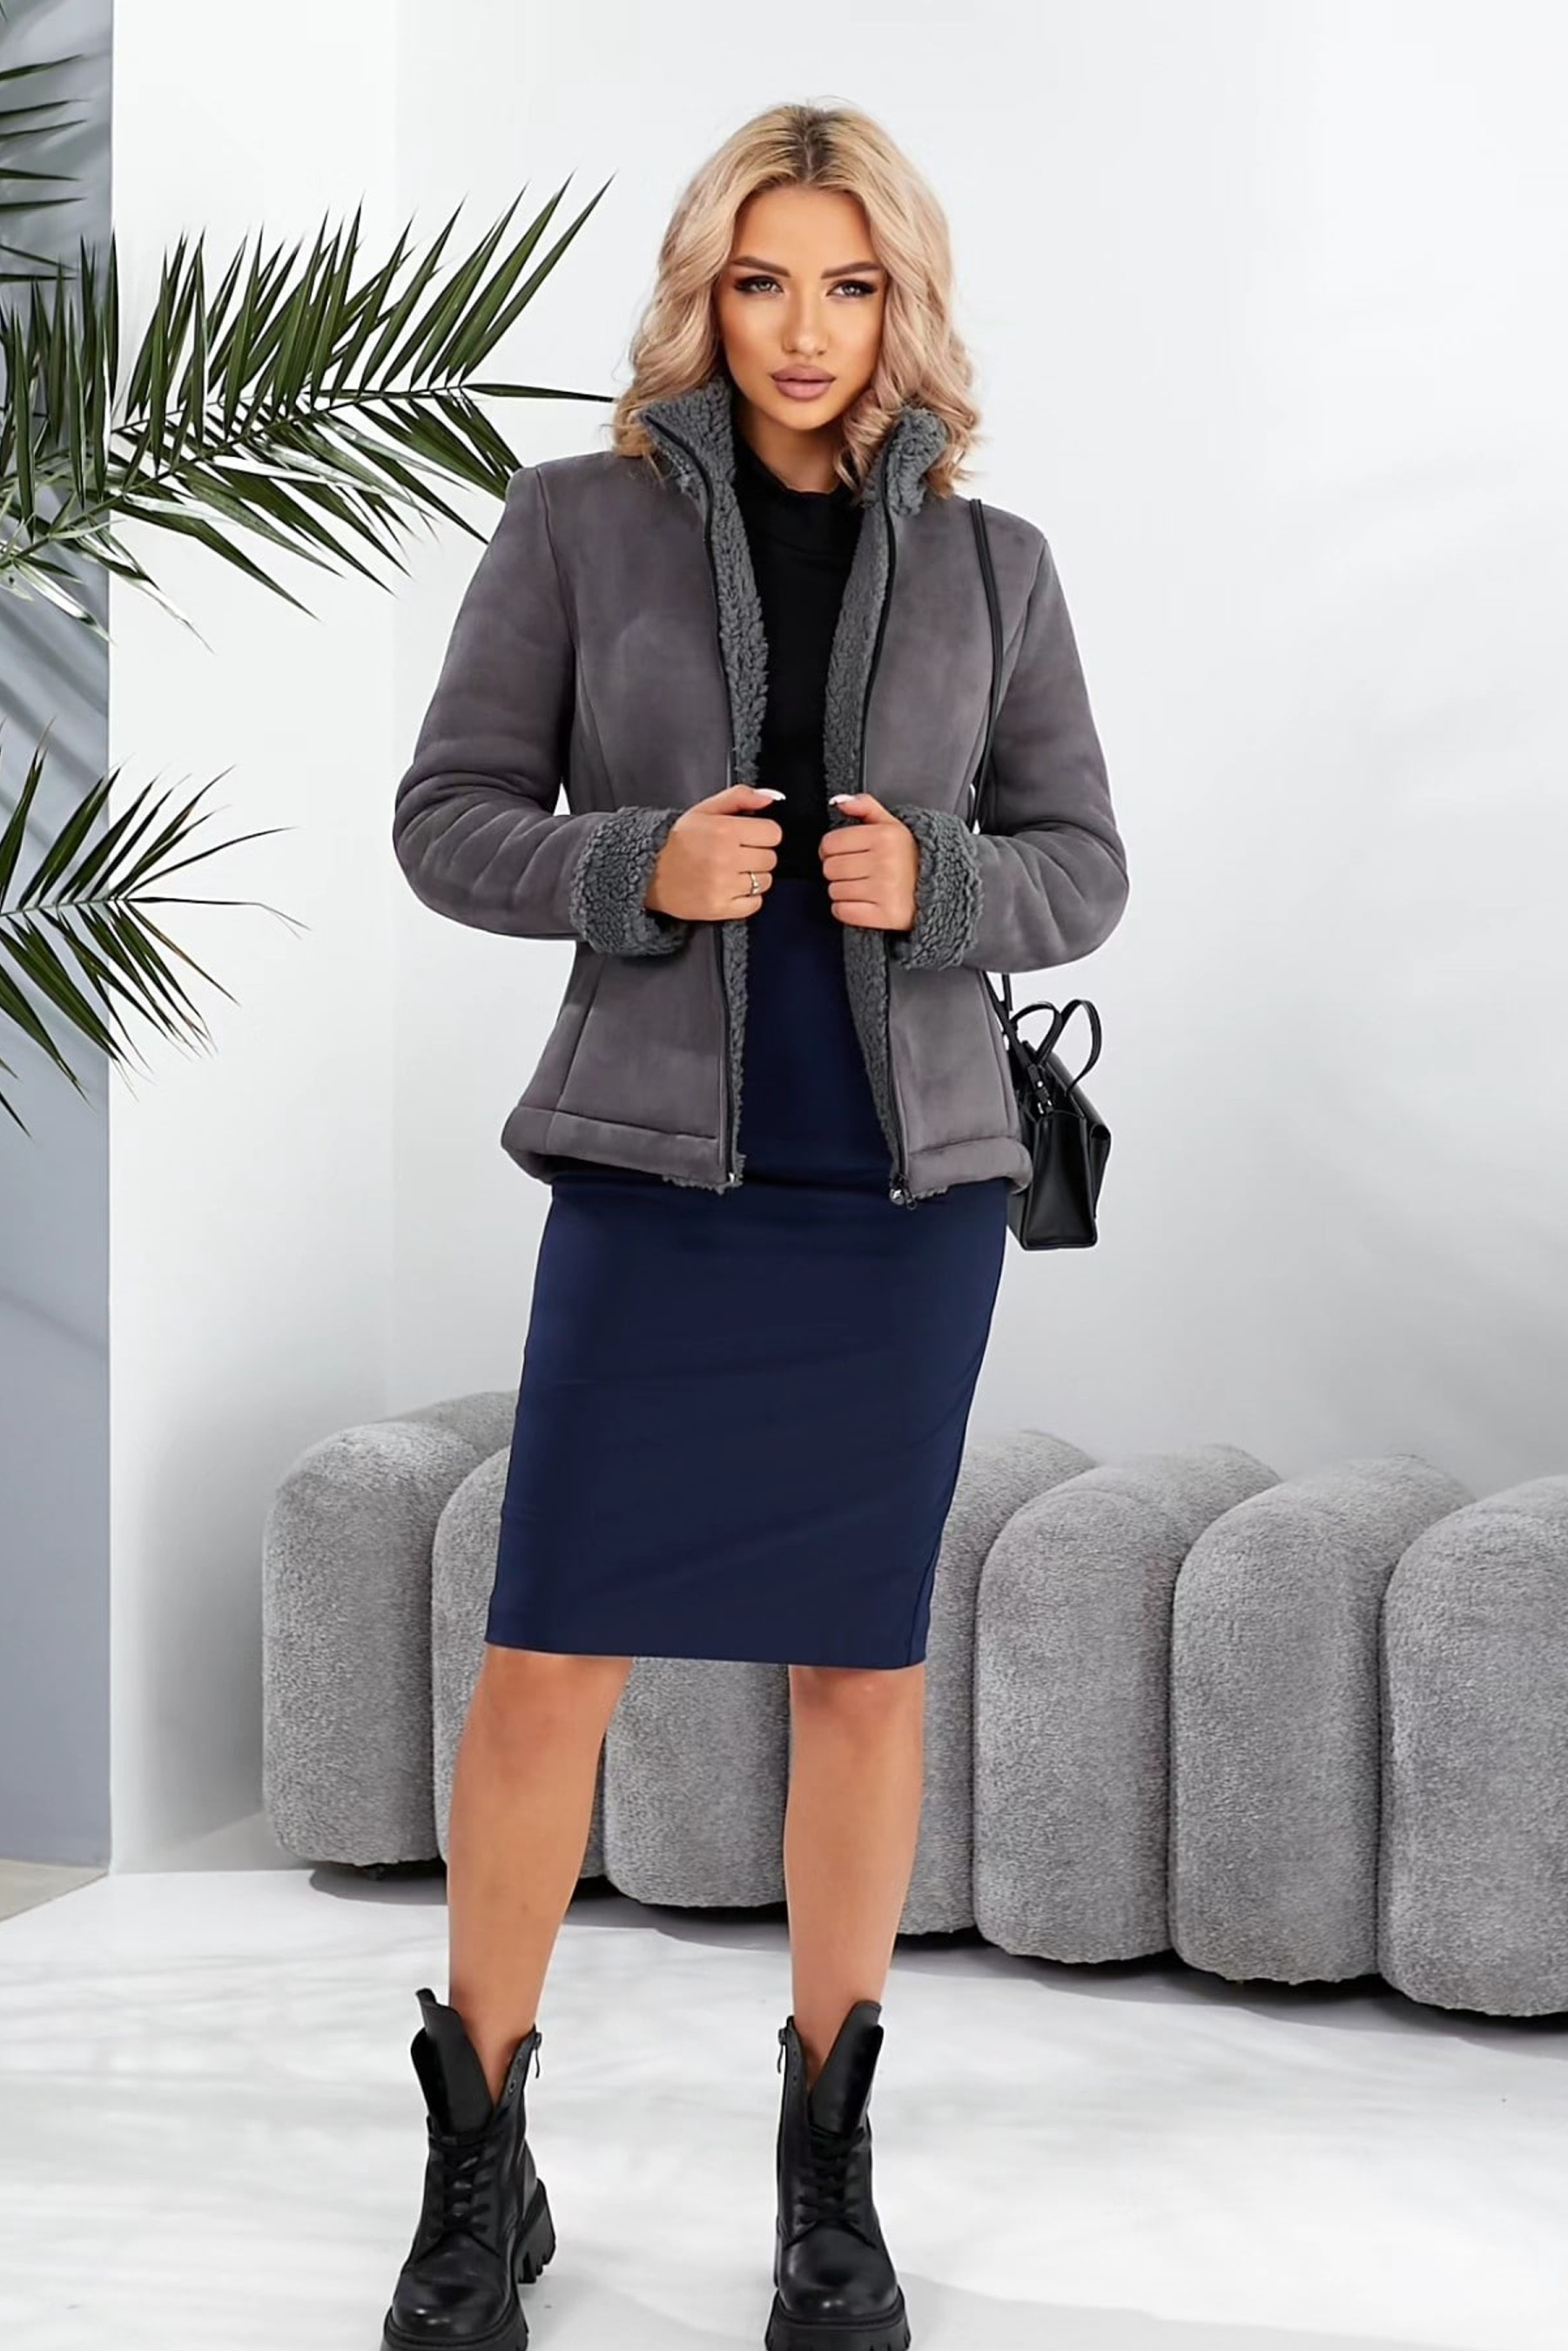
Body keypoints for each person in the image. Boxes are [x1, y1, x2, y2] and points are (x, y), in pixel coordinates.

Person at [384, 99, 1127, 2351]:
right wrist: (632, 864)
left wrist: (949, 886)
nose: (806, 328)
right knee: (547, 1659)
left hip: (897, 1198)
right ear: (704, 294)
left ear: (904, 304)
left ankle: (827, 2180)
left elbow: (1083, 865)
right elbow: (446, 816)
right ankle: (476, 2168)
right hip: (652, 1177)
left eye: (851, 284)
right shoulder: (576, 521)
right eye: (763, 279)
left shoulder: (997, 566)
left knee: (856, 1671)